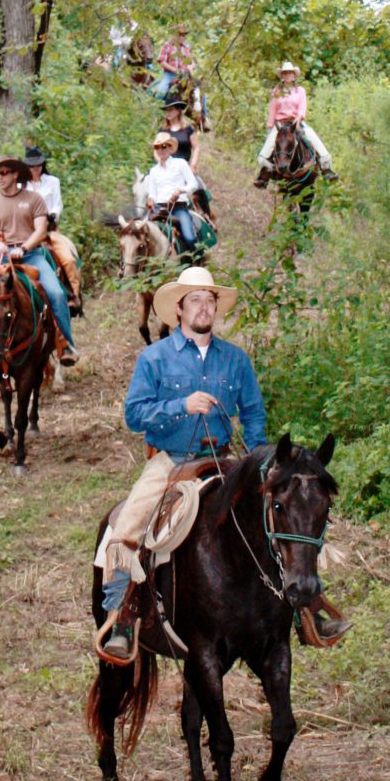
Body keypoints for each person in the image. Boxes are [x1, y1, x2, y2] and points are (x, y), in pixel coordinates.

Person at [100, 266, 267, 658]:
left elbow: (254, 413)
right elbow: (134, 416)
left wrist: (257, 456)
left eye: (210, 300)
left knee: (277, 514)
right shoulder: (154, 358)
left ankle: (301, 608)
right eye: (195, 300)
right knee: (129, 525)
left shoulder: (235, 360)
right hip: (171, 462)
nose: (204, 307)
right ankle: (121, 618)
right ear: (179, 309)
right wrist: (181, 406)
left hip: (224, 458)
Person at [0, 155, 78, 368]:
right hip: (0, 256)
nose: (0, 177)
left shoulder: (34, 200)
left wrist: (24, 248)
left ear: (15, 175)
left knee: (57, 293)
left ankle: (66, 343)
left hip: (32, 255)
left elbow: (41, 230)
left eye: (4, 173)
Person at [254, 62, 338, 187]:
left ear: (294, 75)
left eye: (290, 73)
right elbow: (273, 111)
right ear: (282, 76)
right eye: (285, 73)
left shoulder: (300, 91)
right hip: (281, 125)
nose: (288, 75)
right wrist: (270, 127)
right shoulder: (276, 92)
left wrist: (299, 118)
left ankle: (326, 169)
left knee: (315, 140)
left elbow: (302, 107)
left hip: (296, 122)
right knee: (265, 152)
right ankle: (264, 176)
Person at [23, 146, 83, 315]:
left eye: (39, 165)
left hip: (49, 231)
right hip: (27, 233)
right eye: (32, 166)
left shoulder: (53, 181)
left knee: (68, 260)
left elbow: (57, 203)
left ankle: (73, 296)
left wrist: (53, 215)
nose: (36, 169)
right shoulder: (21, 186)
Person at [144, 131, 200, 256]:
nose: (161, 150)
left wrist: (181, 190)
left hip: (178, 208)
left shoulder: (180, 164)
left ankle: (197, 263)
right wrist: (150, 199)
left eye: (164, 146)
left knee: (190, 237)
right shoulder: (153, 171)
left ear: (170, 148)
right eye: (158, 147)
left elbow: (193, 184)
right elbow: (152, 193)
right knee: (138, 233)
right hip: (158, 209)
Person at [162, 99, 213, 220]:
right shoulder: (163, 131)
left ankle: (205, 216)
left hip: (184, 167)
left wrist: (193, 165)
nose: (168, 113)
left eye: (171, 110)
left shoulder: (188, 129)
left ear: (178, 111)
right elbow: (157, 149)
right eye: (167, 110)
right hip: (167, 167)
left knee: (198, 186)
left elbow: (196, 147)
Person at [153, 24, 210, 129]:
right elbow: (162, 61)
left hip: (185, 74)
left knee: (200, 89)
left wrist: (190, 67)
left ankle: (204, 118)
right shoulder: (167, 45)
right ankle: (158, 117)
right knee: (161, 91)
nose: (182, 37)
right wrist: (175, 70)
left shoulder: (187, 46)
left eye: (184, 35)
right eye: (180, 35)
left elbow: (191, 61)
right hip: (170, 74)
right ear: (174, 35)